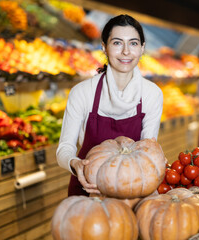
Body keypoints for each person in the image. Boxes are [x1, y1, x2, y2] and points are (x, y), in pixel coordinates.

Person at [56, 14, 163, 196]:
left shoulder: (152, 94)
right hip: (87, 187)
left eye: (133, 43)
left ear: (142, 48)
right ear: (104, 47)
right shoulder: (82, 92)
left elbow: (147, 147)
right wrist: (74, 164)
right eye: (117, 43)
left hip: (131, 189)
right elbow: (64, 148)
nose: (126, 52)